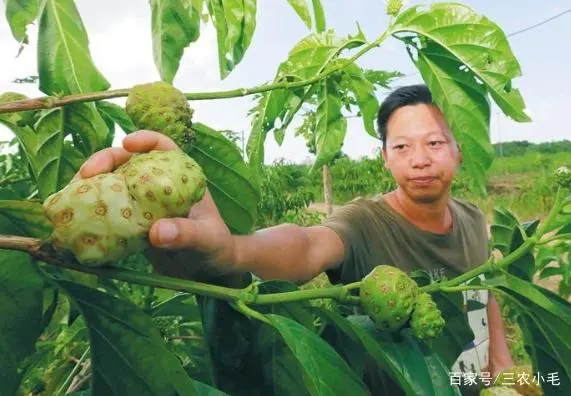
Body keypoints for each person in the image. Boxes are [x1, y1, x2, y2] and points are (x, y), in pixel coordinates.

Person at [75, 84, 514, 394]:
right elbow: (307, 246)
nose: (420, 160)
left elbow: (483, 293)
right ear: (384, 158)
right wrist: (232, 250)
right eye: (402, 147)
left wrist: (507, 370)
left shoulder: (473, 218)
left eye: (435, 143)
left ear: (461, 149)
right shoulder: (365, 221)